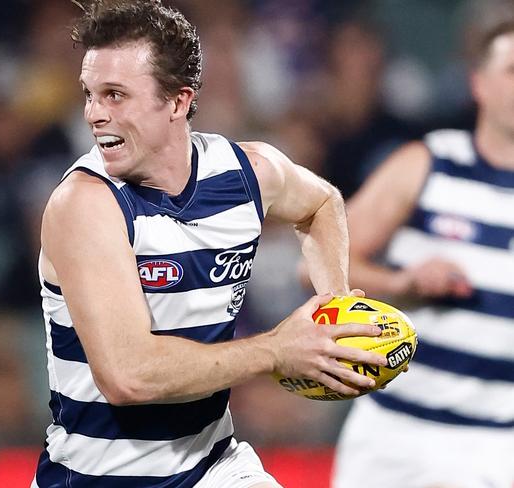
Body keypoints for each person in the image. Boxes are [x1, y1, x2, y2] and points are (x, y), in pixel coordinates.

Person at [31, 1, 387, 487]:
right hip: (98, 478)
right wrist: (279, 351)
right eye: (90, 94)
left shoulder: (247, 173)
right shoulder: (85, 204)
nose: (95, 113)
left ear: (178, 101)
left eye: (115, 95)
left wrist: (336, 309)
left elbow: (322, 203)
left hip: (212, 468)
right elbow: (128, 376)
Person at [333, 11, 514, 488]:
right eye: (513, 70)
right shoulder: (427, 162)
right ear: (479, 83)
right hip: (396, 433)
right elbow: (319, 263)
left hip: (500, 445)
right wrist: (404, 284)